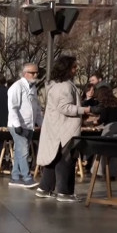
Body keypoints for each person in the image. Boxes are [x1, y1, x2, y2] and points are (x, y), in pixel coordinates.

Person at [35, 55, 96, 201]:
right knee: (66, 161)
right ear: (67, 68)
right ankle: (65, 192)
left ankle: (44, 188)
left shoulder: (57, 85)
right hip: (64, 130)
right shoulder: (65, 86)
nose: (76, 70)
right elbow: (64, 107)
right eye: (74, 67)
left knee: (54, 159)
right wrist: (85, 110)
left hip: (57, 129)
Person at [7, 63, 43, 188]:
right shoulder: (17, 87)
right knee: (23, 151)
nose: (35, 75)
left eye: (37, 72)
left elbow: (36, 109)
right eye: (32, 73)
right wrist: (17, 124)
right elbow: (13, 107)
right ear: (25, 73)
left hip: (29, 125)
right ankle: (27, 177)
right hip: (18, 125)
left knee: (19, 152)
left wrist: (41, 124)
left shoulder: (33, 88)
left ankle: (15, 177)